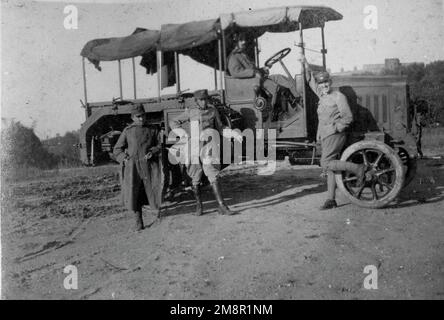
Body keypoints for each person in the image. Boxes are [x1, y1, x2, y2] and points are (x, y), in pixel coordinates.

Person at [301, 56, 365, 210]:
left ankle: (358, 169)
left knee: (325, 163)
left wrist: (336, 128)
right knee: (330, 167)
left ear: (330, 82)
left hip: (335, 135)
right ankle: (331, 199)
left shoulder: (338, 97)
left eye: (326, 83)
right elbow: (310, 81)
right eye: (321, 83)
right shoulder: (322, 96)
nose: (323, 86)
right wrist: (305, 64)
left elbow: (348, 118)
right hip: (325, 136)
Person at [169, 89, 239, 216]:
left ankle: (222, 206)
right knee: (195, 173)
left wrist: (232, 133)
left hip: (209, 144)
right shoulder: (191, 111)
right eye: (201, 100)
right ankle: (199, 206)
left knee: (212, 171)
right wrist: (182, 134)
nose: (204, 102)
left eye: (206, 99)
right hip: (194, 144)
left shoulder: (213, 110)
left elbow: (220, 127)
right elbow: (173, 122)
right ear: (196, 101)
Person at [113, 104, 163, 231]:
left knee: (151, 190)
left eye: (143, 116)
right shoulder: (128, 131)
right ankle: (138, 221)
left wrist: (153, 151)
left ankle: (157, 211)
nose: (141, 119)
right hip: (133, 168)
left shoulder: (153, 129)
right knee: (134, 194)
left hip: (149, 167)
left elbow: (159, 145)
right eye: (138, 117)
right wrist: (124, 158)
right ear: (133, 118)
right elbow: (117, 149)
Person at [227, 32, 299, 109]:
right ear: (235, 43)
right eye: (241, 40)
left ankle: (298, 98)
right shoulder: (233, 57)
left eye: (244, 40)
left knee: (279, 78)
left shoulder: (242, 55)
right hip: (251, 83)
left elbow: (253, 70)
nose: (244, 42)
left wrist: (263, 69)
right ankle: (277, 112)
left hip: (258, 80)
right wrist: (254, 73)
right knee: (276, 88)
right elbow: (236, 72)